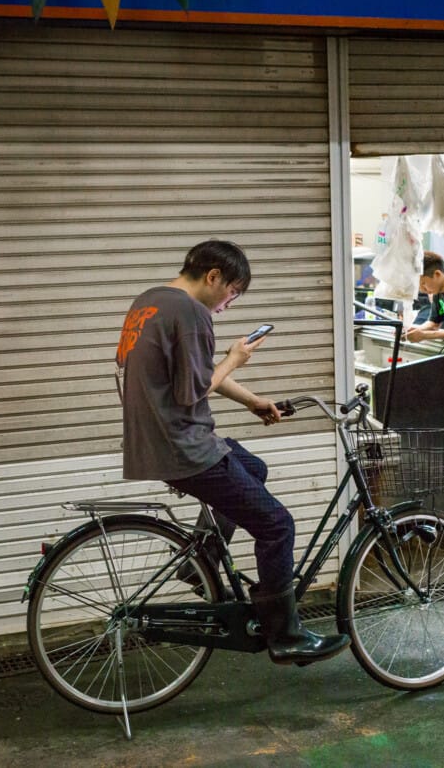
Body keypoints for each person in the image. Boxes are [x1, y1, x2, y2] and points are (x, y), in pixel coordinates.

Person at [115, 239, 349, 666]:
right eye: (232, 293)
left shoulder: (150, 301)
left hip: (161, 439)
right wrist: (235, 358)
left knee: (252, 467)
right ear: (213, 277)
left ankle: (199, 561)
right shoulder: (191, 313)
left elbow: (192, 375)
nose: (229, 303)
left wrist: (252, 400)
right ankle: (286, 634)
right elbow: (194, 390)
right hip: (184, 446)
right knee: (276, 525)